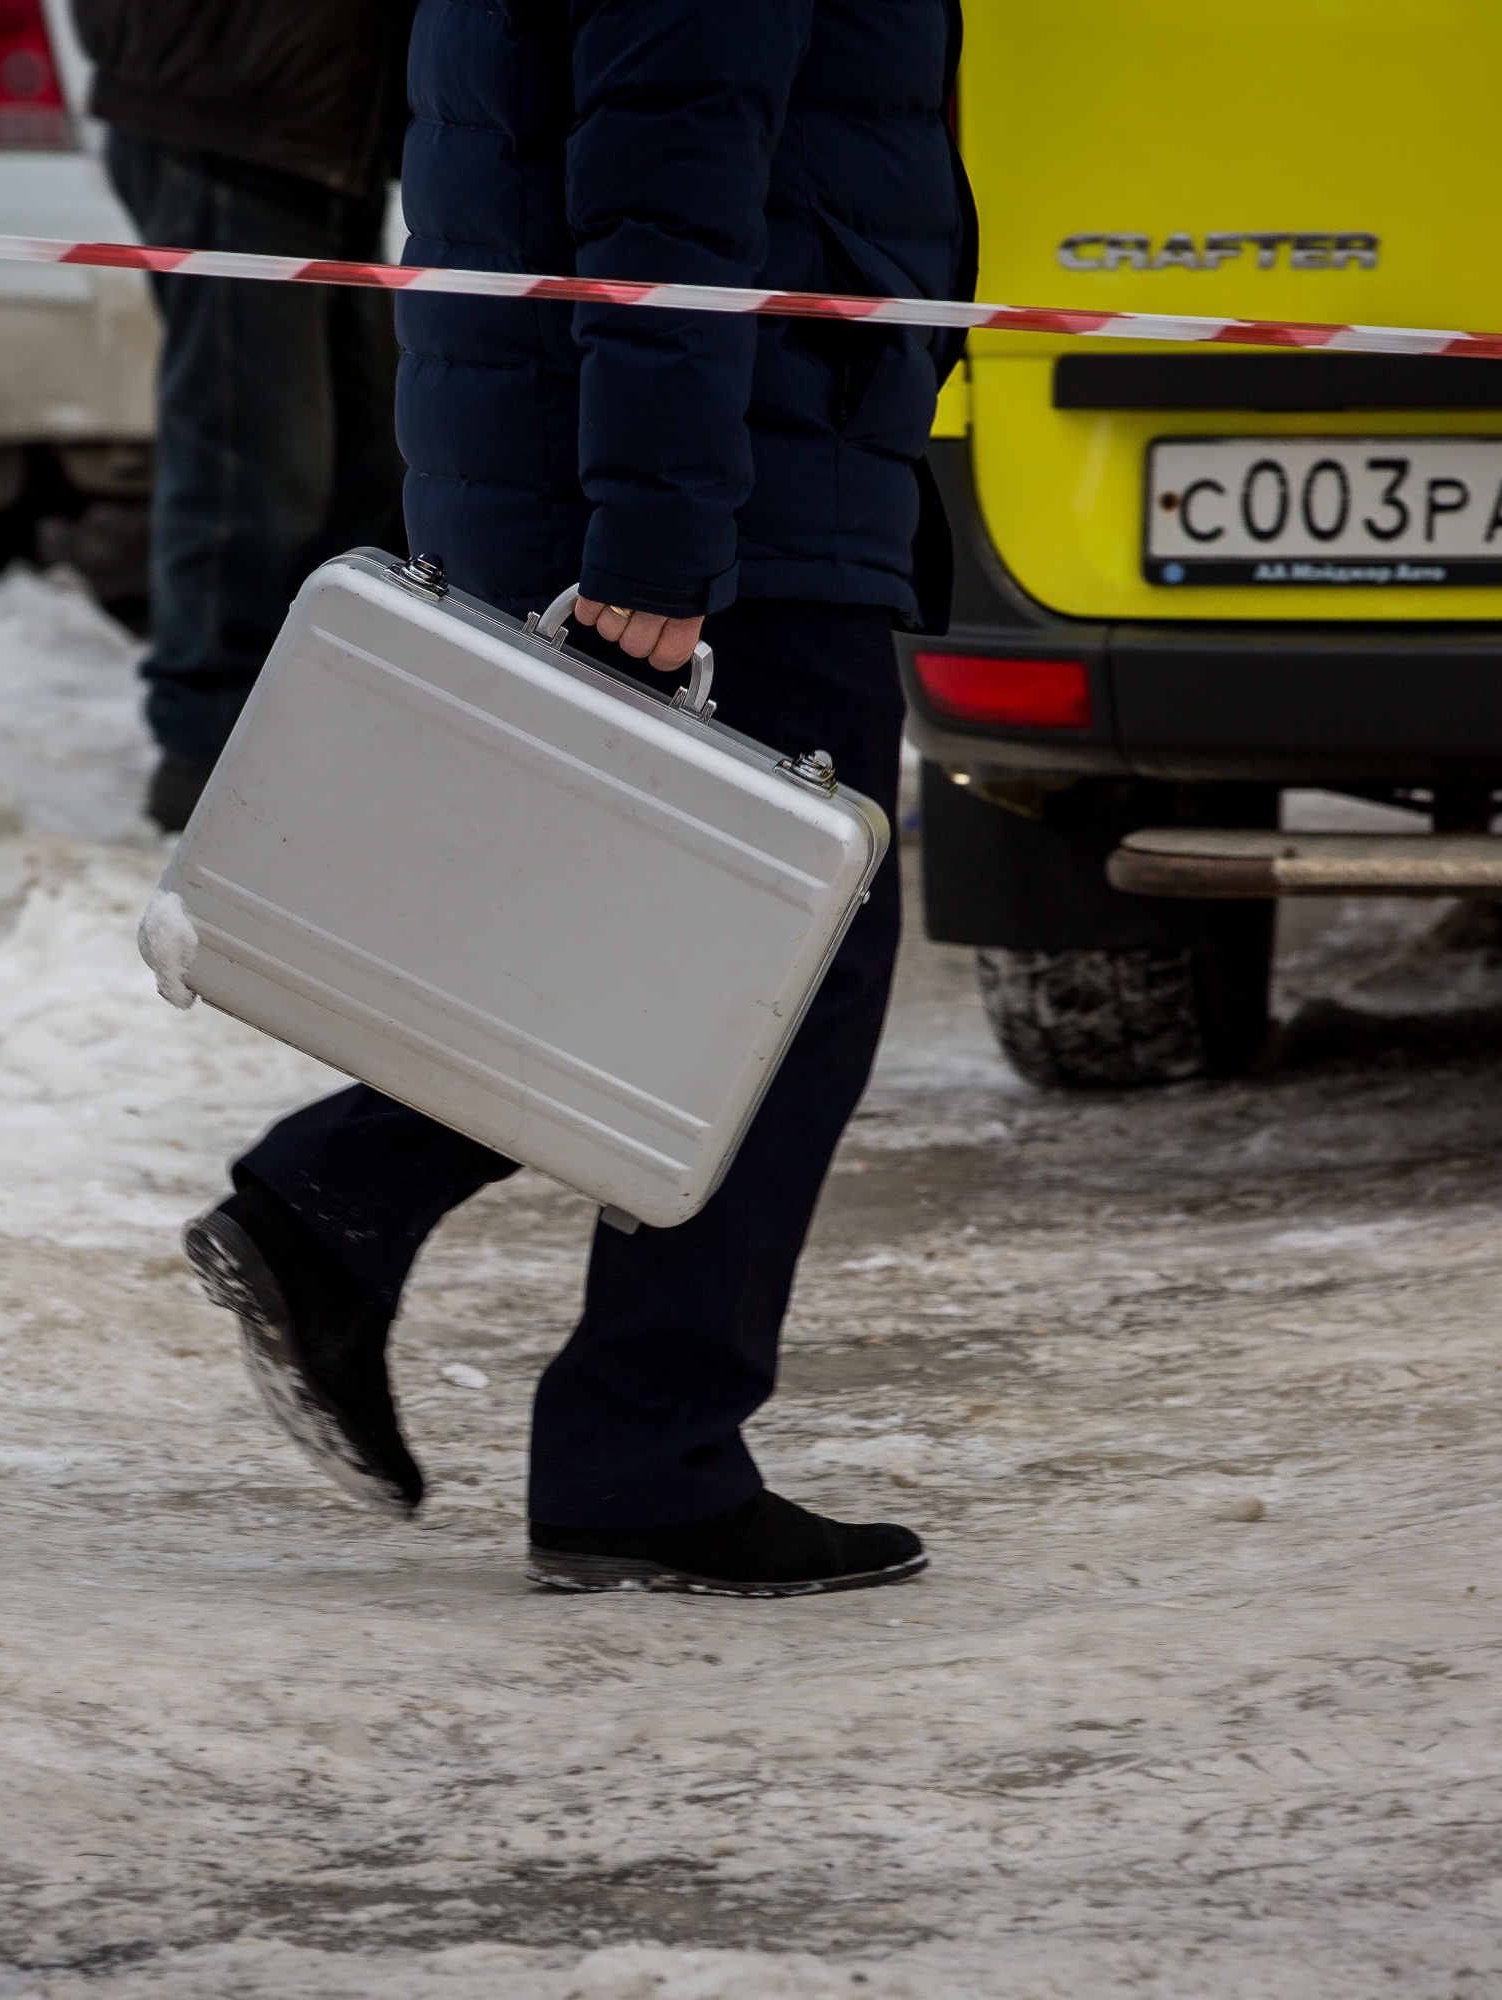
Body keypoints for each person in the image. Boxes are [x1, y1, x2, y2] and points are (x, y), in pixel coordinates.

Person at [182, 0, 975, 1596]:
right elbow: (664, 188)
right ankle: (640, 1448)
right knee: (784, 967)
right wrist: (661, 543)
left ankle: (343, 1207)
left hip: (660, 452)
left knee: (658, 945)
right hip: (720, 482)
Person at [71, 0, 419, 831]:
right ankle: (205, 760)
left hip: (323, 124)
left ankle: (307, 737)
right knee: (250, 462)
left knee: (368, 463)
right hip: (234, 108)